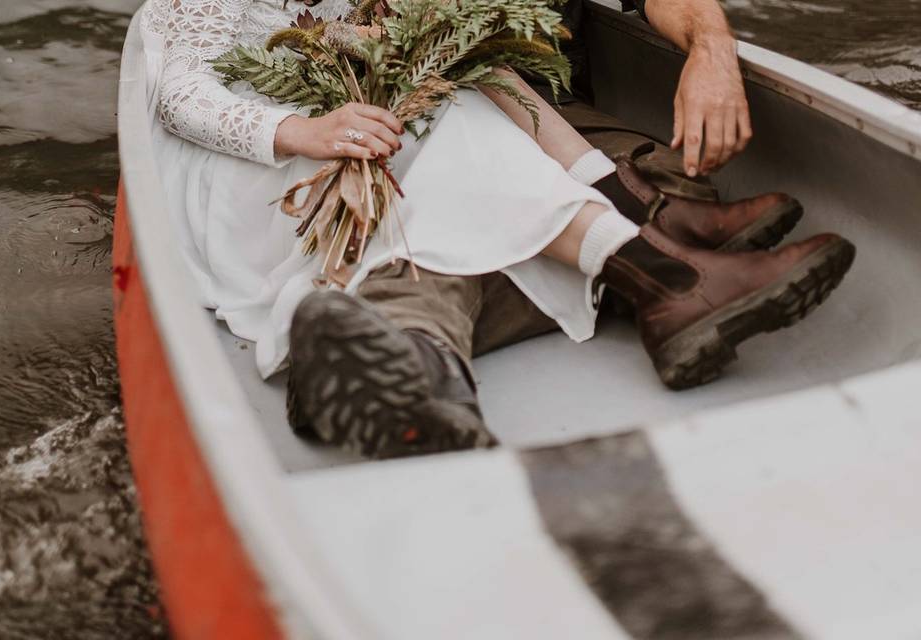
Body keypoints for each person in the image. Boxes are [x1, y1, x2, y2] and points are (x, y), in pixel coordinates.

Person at [139, 0, 855, 458]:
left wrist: (712, 47)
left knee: (471, 116)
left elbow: (473, 65)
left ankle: (644, 253)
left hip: (443, 121)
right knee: (463, 136)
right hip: (268, 159)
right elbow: (180, 94)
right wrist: (305, 129)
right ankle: (664, 273)